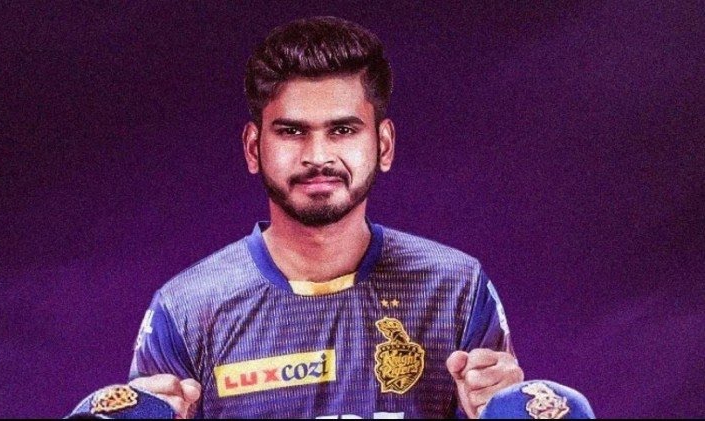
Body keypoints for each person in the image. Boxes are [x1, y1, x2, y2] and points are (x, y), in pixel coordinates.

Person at [127, 16, 523, 419]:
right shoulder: (188, 310)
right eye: (292, 132)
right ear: (253, 148)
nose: (317, 156)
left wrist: (504, 410)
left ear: (384, 145)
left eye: (343, 130)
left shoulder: (456, 289)